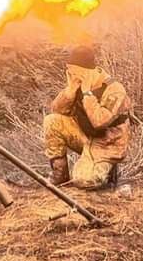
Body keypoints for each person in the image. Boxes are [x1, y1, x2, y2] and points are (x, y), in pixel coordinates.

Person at [43, 45, 132, 190]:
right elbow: (57, 110)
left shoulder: (114, 89)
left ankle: (108, 171)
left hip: (107, 144)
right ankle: (60, 176)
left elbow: (99, 122)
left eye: (75, 73)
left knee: (83, 181)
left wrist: (87, 94)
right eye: (69, 72)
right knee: (52, 121)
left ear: (87, 72)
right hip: (85, 136)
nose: (72, 76)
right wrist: (70, 91)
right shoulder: (76, 84)